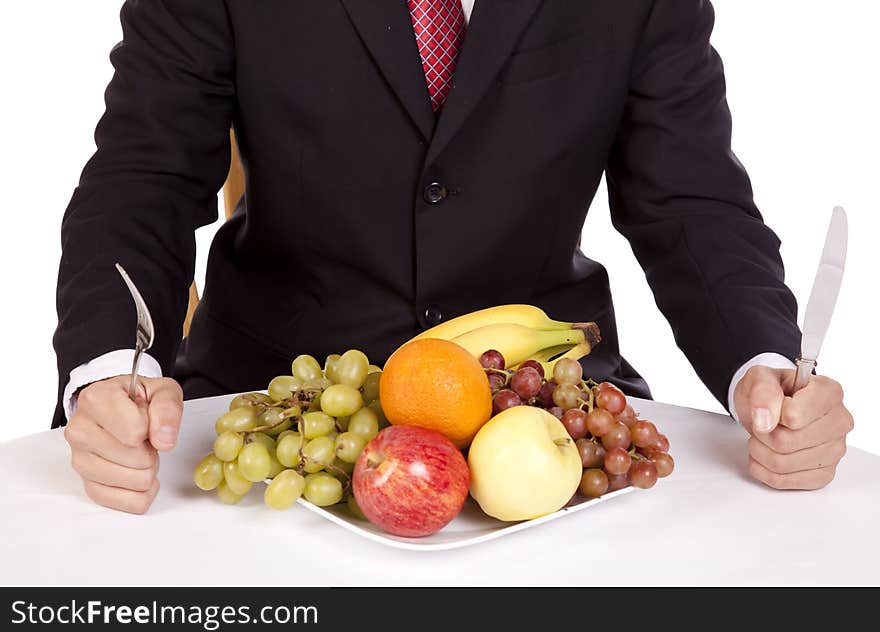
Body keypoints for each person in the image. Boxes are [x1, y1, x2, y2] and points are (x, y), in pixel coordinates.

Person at [54, 1, 853, 514]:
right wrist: (102, 367)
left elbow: (689, 199)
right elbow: (144, 176)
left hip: (549, 418)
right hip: (277, 418)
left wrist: (762, 363)